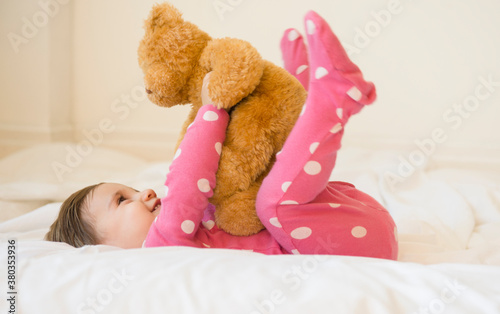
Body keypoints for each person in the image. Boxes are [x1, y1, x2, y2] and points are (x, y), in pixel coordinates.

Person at [46, 11, 398, 260]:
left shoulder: (192, 230)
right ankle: (332, 100)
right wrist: (212, 107)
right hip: (350, 246)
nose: (145, 192)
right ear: (102, 248)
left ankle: (300, 99)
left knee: (263, 177)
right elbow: (189, 178)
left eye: (132, 189)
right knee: (272, 203)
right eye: (123, 200)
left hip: (348, 221)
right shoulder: (161, 246)